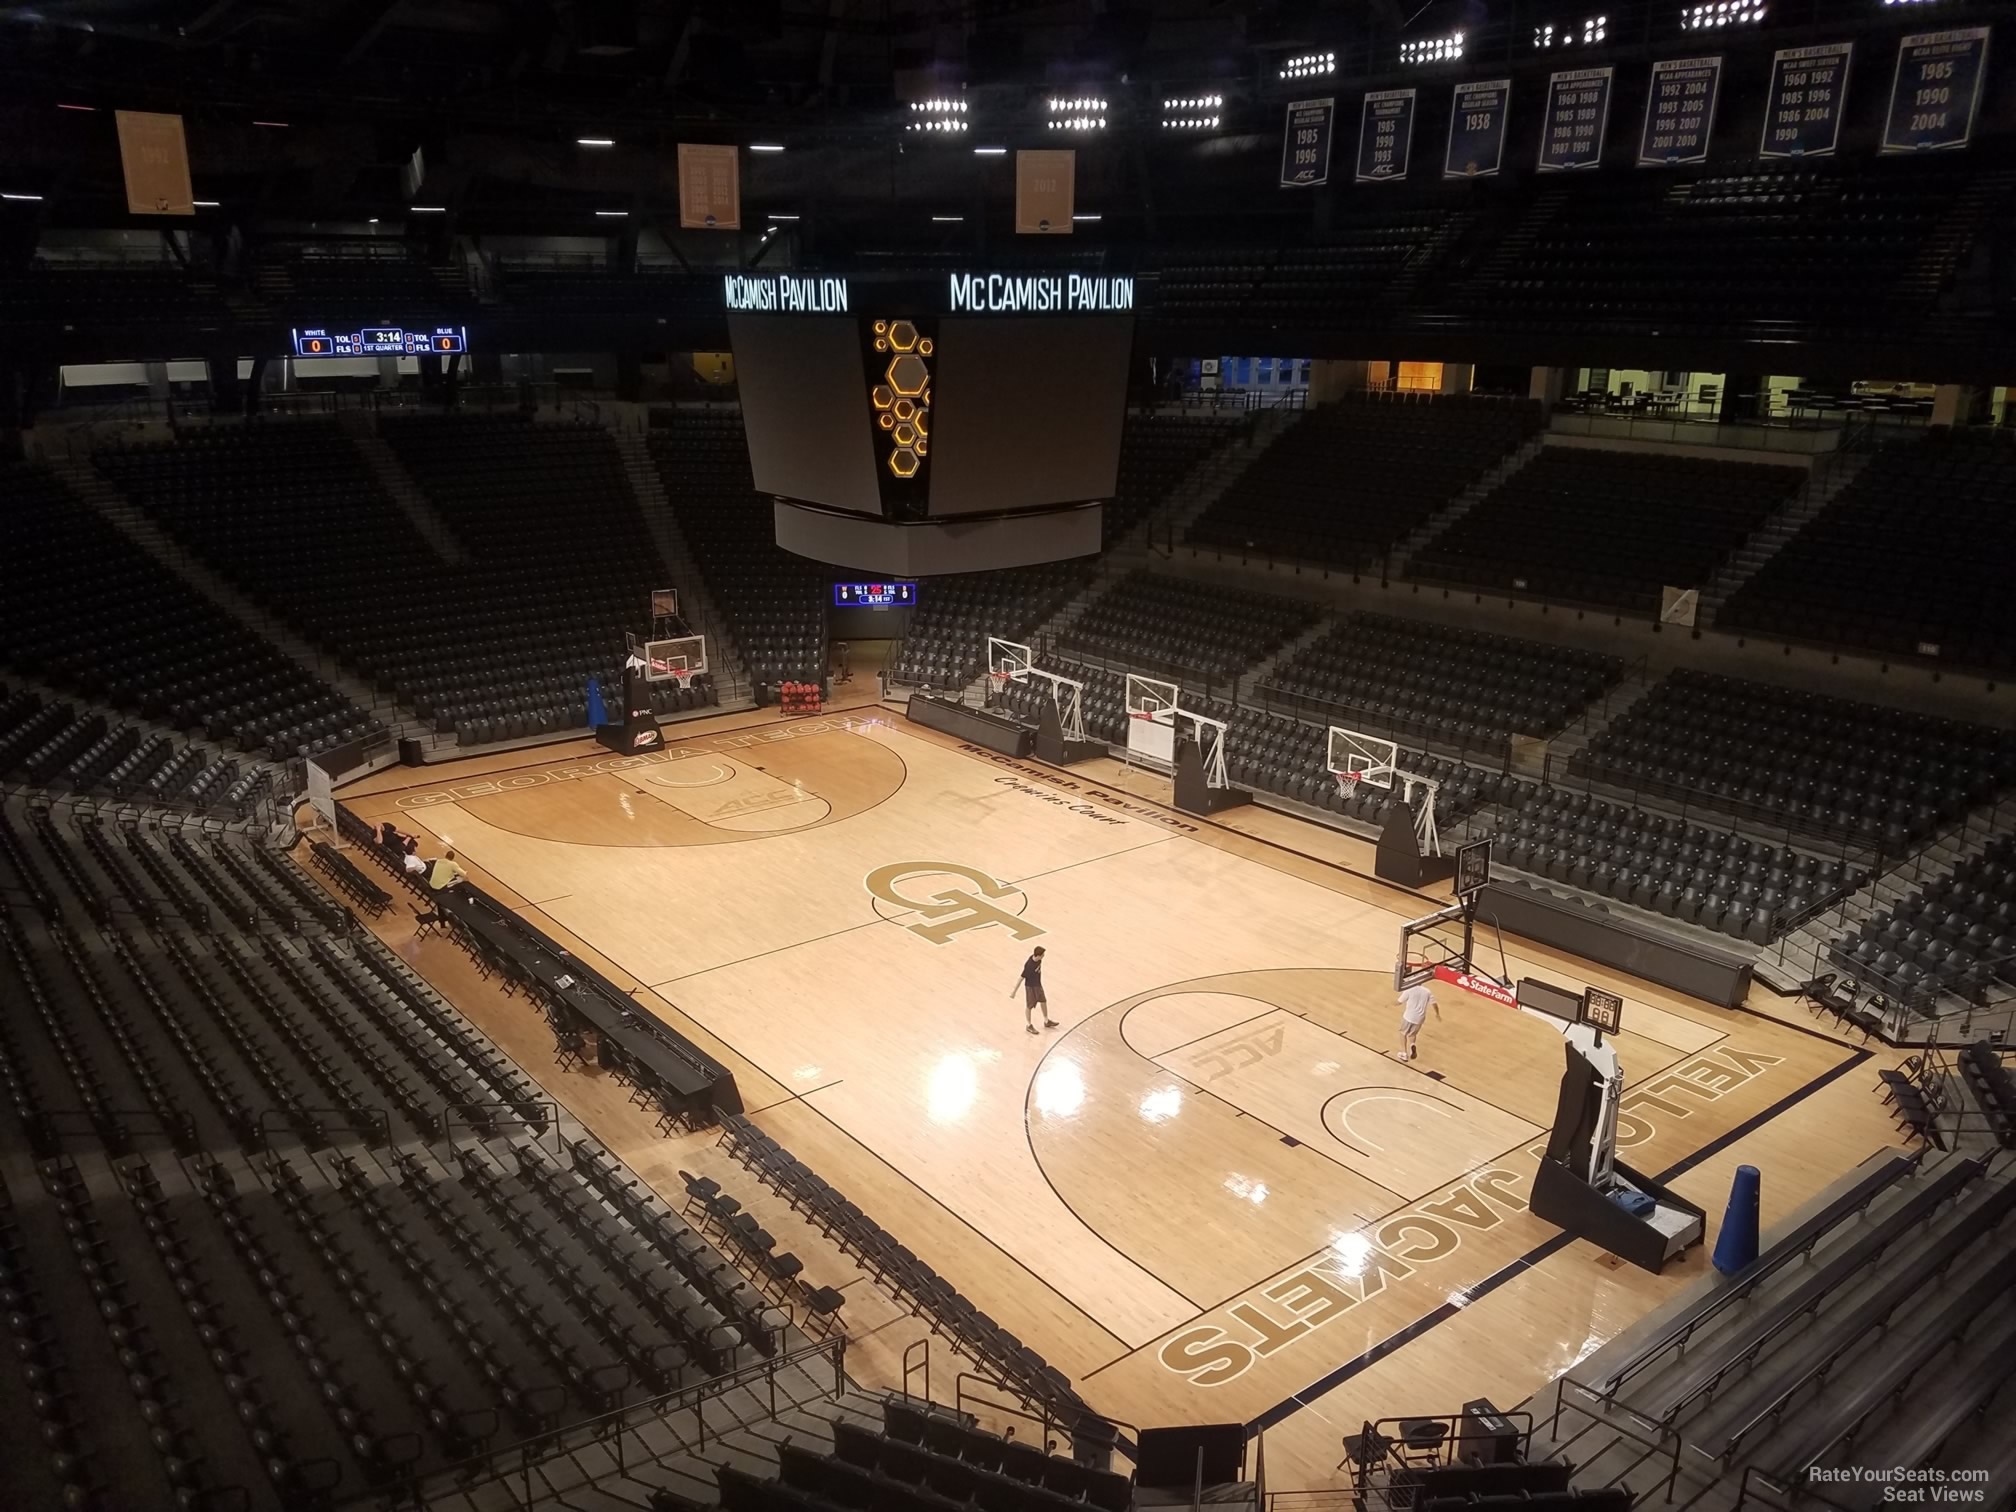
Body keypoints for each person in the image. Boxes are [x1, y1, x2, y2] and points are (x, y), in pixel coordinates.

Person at [1009, 945, 1059, 1036]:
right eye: (1042, 955)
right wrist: (1014, 992)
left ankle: (1046, 1021)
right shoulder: (1029, 966)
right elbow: (1021, 978)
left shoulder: (1039, 960)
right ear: (1038, 955)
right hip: (1030, 987)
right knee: (1029, 1006)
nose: (1043, 956)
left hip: (1038, 985)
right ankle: (1028, 1025)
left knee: (1043, 1001)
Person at [1395, 978, 1440, 1062]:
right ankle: (1412, 1044)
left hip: (1409, 1016)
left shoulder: (1409, 990)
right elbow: (1434, 1004)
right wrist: (1437, 1014)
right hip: (1420, 1018)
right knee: (1412, 1035)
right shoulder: (1427, 991)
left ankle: (1404, 1053)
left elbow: (1399, 1002)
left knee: (1402, 1033)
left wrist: (1388, 1004)